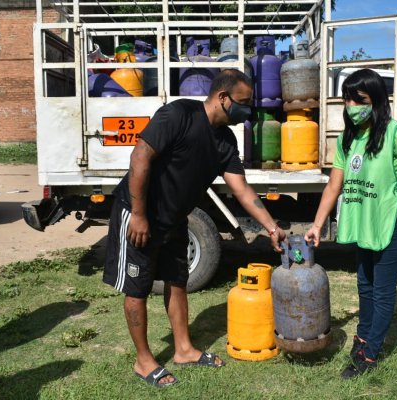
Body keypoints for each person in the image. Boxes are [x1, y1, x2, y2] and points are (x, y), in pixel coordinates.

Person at [103, 69, 287, 388]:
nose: (248, 110)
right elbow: (140, 156)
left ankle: (184, 349)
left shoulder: (225, 142)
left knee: (177, 281)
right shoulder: (178, 114)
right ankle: (143, 359)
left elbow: (241, 189)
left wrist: (271, 226)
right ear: (222, 98)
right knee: (138, 287)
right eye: (243, 103)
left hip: (175, 219)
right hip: (139, 213)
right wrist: (139, 213)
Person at [304, 69, 397, 379]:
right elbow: (334, 185)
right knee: (365, 285)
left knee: (383, 291)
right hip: (366, 221)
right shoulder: (349, 140)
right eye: (347, 99)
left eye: (358, 100)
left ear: (376, 101)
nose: (351, 106)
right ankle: (363, 337)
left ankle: (370, 353)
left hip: (393, 220)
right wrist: (317, 224)